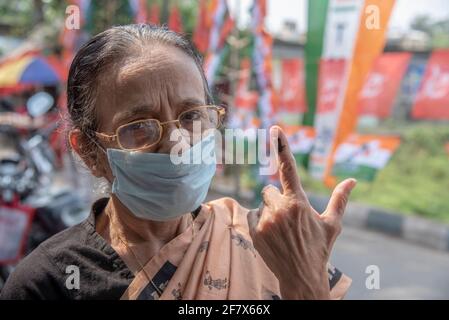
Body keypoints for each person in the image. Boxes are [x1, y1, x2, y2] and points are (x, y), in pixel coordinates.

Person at [0, 24, 356, 300]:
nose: (176, 143)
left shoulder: (270, 243)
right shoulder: (47, 282)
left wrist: (305, 280)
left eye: (191, 116)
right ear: (89, 152)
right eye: (138, 126)